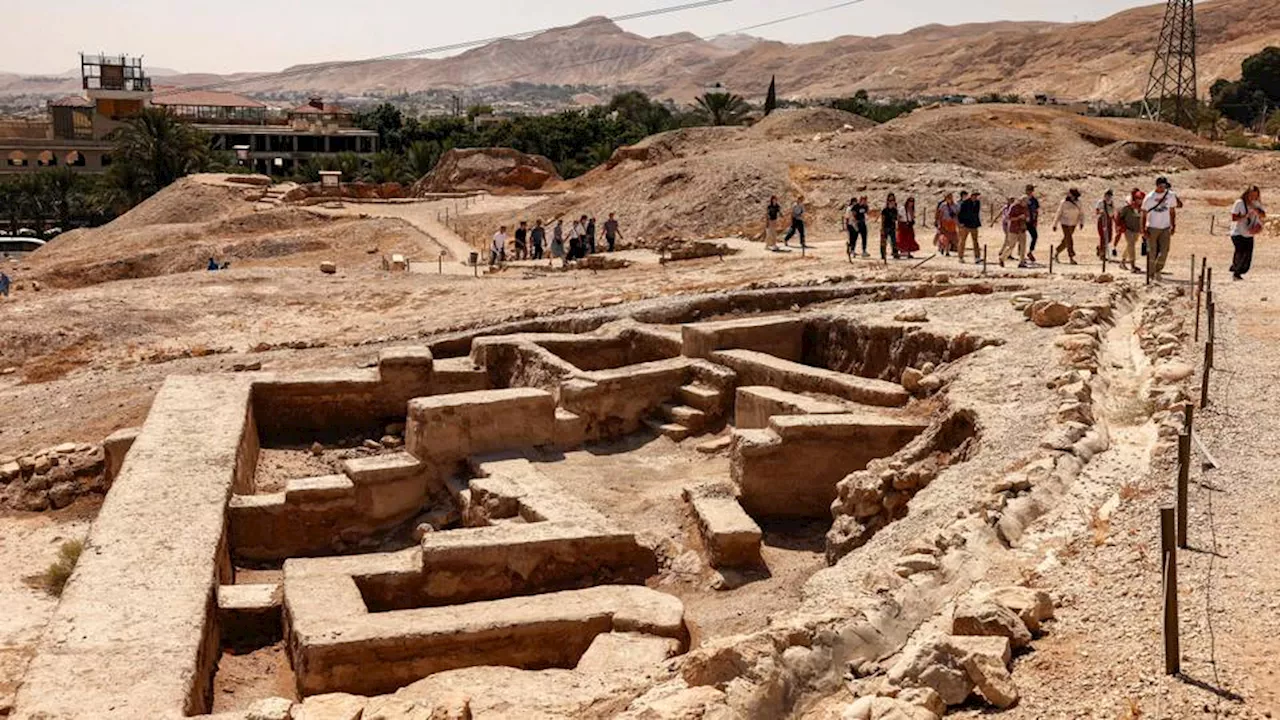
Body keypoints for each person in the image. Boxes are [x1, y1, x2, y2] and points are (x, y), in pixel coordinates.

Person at [1142, 176, 1180, 276]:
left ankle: (1157, 269)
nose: (1163, 188)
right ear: (1157, 185)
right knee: (1152, 251)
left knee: (1164, 251)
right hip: (1152, 227)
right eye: (1161, 186)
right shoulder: (1149, 197)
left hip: (1165, 227)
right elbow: (1144, 213)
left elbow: (1172, 211)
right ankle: (1150, 274)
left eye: (1164, 186)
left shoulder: (1170, 195)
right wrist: (1143, 229)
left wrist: (1173, 225)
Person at [1230, 186, 1266, 281]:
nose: (1253, 197)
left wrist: (1256, 210)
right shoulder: (1239, 203)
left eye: (1255, 195)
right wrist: (1245, 216)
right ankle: (1236, 272)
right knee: (1241, 252)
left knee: (1248, 255)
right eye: (1251, 195)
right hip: (1238, 232)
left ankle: (1238, 269)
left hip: (1249, 232)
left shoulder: (1257, 204)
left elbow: (1263, 215)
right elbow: (1234, 218)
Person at [1053, 188, 1085, 264]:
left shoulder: (1079, 202)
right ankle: (1071, 257)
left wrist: (1081, 222)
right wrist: (1055, 224)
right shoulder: (1064, 202)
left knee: (1066, 241)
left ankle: (1057, 252)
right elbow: (1059, 213)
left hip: (1073, 223)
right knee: (1069, 239)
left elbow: (1081, 213)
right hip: (1065, 223)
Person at [1116, 190, 1145, 273]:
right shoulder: (1127, 208)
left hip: (1137, 229)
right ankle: (1132, 265)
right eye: (1138, 198)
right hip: (1128, 229)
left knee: (1130, 245)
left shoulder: (1143, 208)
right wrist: (1120, 226)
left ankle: (1123, 261)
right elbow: (1120, 216)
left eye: (1142, 199)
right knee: (1131, 245)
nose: (1140, 200)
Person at [998, 197, 1030, 268]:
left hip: (1022, 229)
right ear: (1021, 201)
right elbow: (1008, 218)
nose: (1026, 204)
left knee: (1023, 246)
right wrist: (1018, 217)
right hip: (1013, 229)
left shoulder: (1025, 208)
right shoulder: (1013, 207)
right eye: (1025, 202)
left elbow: (1028, 217)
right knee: (1011, 246)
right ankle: (1002, 258)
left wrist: (1026, 218)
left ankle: (1021, 262)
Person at [957, 190, 982, 263]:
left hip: (974, 225)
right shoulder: (964, 203)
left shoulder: (977, 202)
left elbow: (976, 213)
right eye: (974, 195)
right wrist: (961, 223)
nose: (975, 197)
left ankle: (977, 257)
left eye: (976, 196)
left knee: (975, 241)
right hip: (966, 225)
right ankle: (960, 257)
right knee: (962, 241)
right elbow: (960, 214)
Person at [1096, 190, 1117, 260]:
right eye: (1107, 195)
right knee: (1103, 238)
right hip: (1102, 221)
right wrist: (1100, 212)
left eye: (1110, 196)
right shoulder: (1100, 202)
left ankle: (1100, 248)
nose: (1108, 197)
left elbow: (1113, 213)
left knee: (1109, 238)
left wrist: (1115, 221)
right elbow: (1097, 211)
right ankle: (1102, 254)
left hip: (1109, 221)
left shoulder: (1111, 203)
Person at [1024, 185, 1041, 264]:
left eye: (1031, 190)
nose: (1029, 192)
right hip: (1023, 221)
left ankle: (1030, 251)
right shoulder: (1023, 199)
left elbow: (1036, 211)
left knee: (1034, 236)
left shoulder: (1034, 200)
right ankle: (1021, 255)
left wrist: (1035, 221)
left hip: (1031, 221)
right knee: (1021, 238)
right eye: (1028, 190)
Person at [880, 194, 900, 260]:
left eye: (893, 200)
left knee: (894, 241)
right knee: (883, 241)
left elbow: (897, 219)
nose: (892, 202)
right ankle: (883, 254)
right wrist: (882, 229)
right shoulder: (885, 210)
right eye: (890, 200)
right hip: (886, 227)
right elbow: (882, 220)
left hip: (892, 227)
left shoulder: (895, 210)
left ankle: (895, 253)